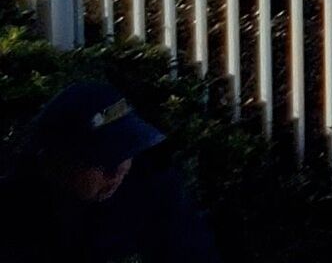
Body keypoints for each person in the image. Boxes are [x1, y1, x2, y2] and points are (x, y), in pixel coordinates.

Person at [4, 78, 213, 262]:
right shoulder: (17, 218)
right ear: (55, 164)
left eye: (126, 153)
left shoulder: (153, 191)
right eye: (103, 161)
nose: (117, 172)